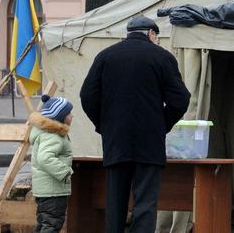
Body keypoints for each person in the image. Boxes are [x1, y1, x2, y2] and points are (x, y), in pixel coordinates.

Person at [80, 16, 190, 233]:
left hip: (116, 140)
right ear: (151, 34)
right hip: (149, 142)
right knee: (146, 203)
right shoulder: (162, 57)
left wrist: (104, 125)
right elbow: (181, 100)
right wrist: (161, 124)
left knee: (115, 202)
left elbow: (87, 96)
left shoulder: (105, 56)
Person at [30, 95, 74, 233]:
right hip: (53, 190)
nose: (72, 116)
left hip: (46, 189)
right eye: (69, 113)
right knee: (52, 224)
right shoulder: (53, 135)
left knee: (44, 223)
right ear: (60, 117)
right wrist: (65, 172)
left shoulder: (47, 133)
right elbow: (44, 158)